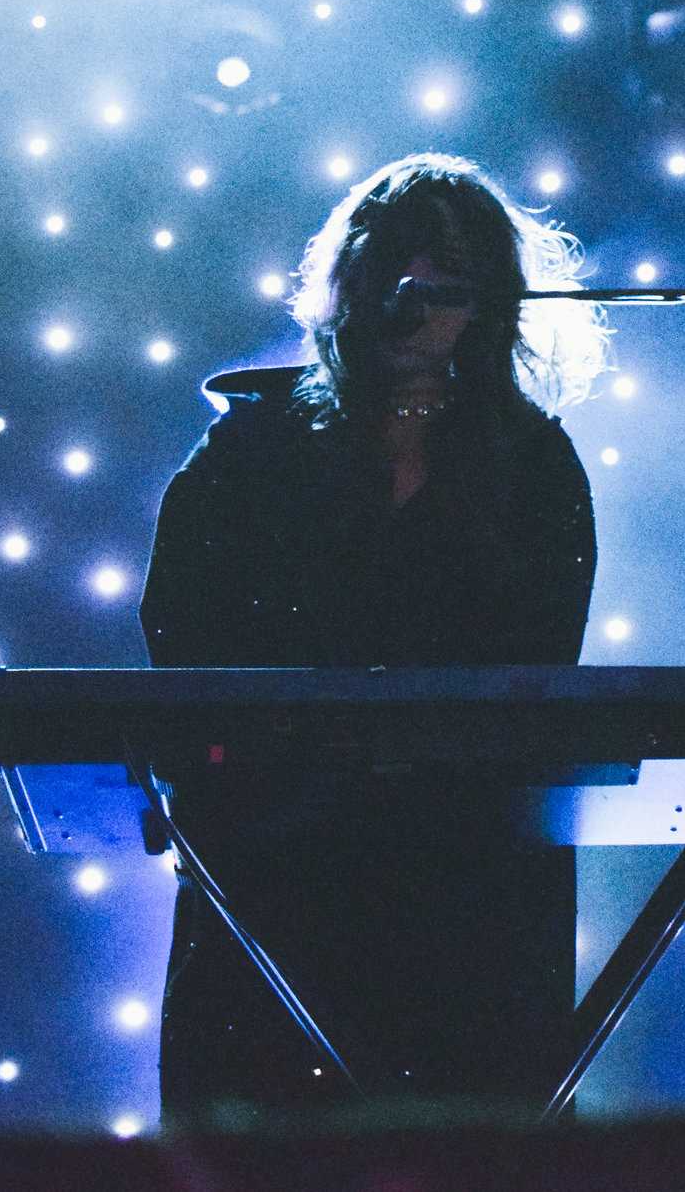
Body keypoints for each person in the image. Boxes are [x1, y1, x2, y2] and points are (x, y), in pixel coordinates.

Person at [137, 152, 610, 1123]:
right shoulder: (251, 448)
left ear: (487, 297)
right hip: (277, 868)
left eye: (444, 274)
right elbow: (179, 635)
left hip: (466, 892)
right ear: (349, 281)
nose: (416, 297)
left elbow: (536, 667)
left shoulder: (533, 466)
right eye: (395, 265)